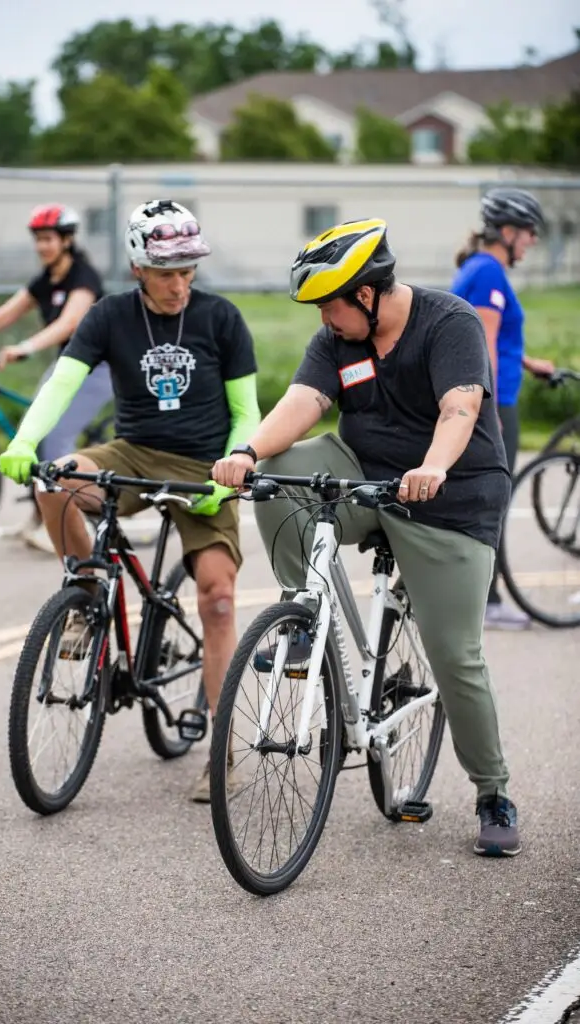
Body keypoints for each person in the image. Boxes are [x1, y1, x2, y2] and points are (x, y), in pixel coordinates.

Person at [212, 216, 521, 857]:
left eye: (329, 303)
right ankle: (304, 615)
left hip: (450, 499)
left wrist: (433, 467)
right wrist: (247, 450)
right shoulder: (336, 340)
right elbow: (302, 402)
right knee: (281, 476)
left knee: (455, 655)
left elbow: (460, 407)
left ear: (368, 293)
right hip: (363, 479)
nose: (324, 317)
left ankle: (492, 791)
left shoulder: (449, 323)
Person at [0, 198, 261, 803]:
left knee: (218, 599)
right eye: (168, 272)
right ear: (139, 267)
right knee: (56, 478)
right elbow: (61, 384)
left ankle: (222, 750)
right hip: (134, 453)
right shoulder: (110, 316)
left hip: (206, 466)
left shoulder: (221, 318)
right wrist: (24, 441)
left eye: (188, 270)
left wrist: (231, 472)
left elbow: (247, 411)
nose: (180, 284)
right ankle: (86, 596)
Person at [0, 204, 112, 552]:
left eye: (48, 239)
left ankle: (73, 526)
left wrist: (25, 347)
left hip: (101, 367)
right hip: (71, 365)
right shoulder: (46, 279)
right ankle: (40, 518)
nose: (41, 246)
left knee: (54, 442)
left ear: (66, 240)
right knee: (32, 433)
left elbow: (69, 323)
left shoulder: (84, 277)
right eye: (38, 239)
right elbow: (7, 312)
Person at [450, 187, 555, 630]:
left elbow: (484, 335)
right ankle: (487, 603)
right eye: (529, 232)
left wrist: (528, 362)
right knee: (489, 503)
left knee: (481, 500)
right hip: (496, 404)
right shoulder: (489, 273)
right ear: (508, 232)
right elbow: (483, 343)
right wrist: (486, 409)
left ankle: (477, 597)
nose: (532, 241)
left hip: (493, 395)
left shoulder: (480, 269)